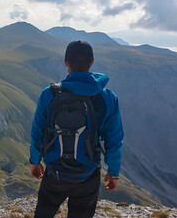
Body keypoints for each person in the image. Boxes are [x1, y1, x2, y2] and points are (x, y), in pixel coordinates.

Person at [29, 40, 124, 218]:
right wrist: (113, 172)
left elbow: (38, 132)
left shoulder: (49, 94)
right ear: (92, 62)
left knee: (43, 213)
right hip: (87, 174)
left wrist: (35, 161)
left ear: (66, 62)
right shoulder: (107, 98)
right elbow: (114, 139)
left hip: (54, 171)